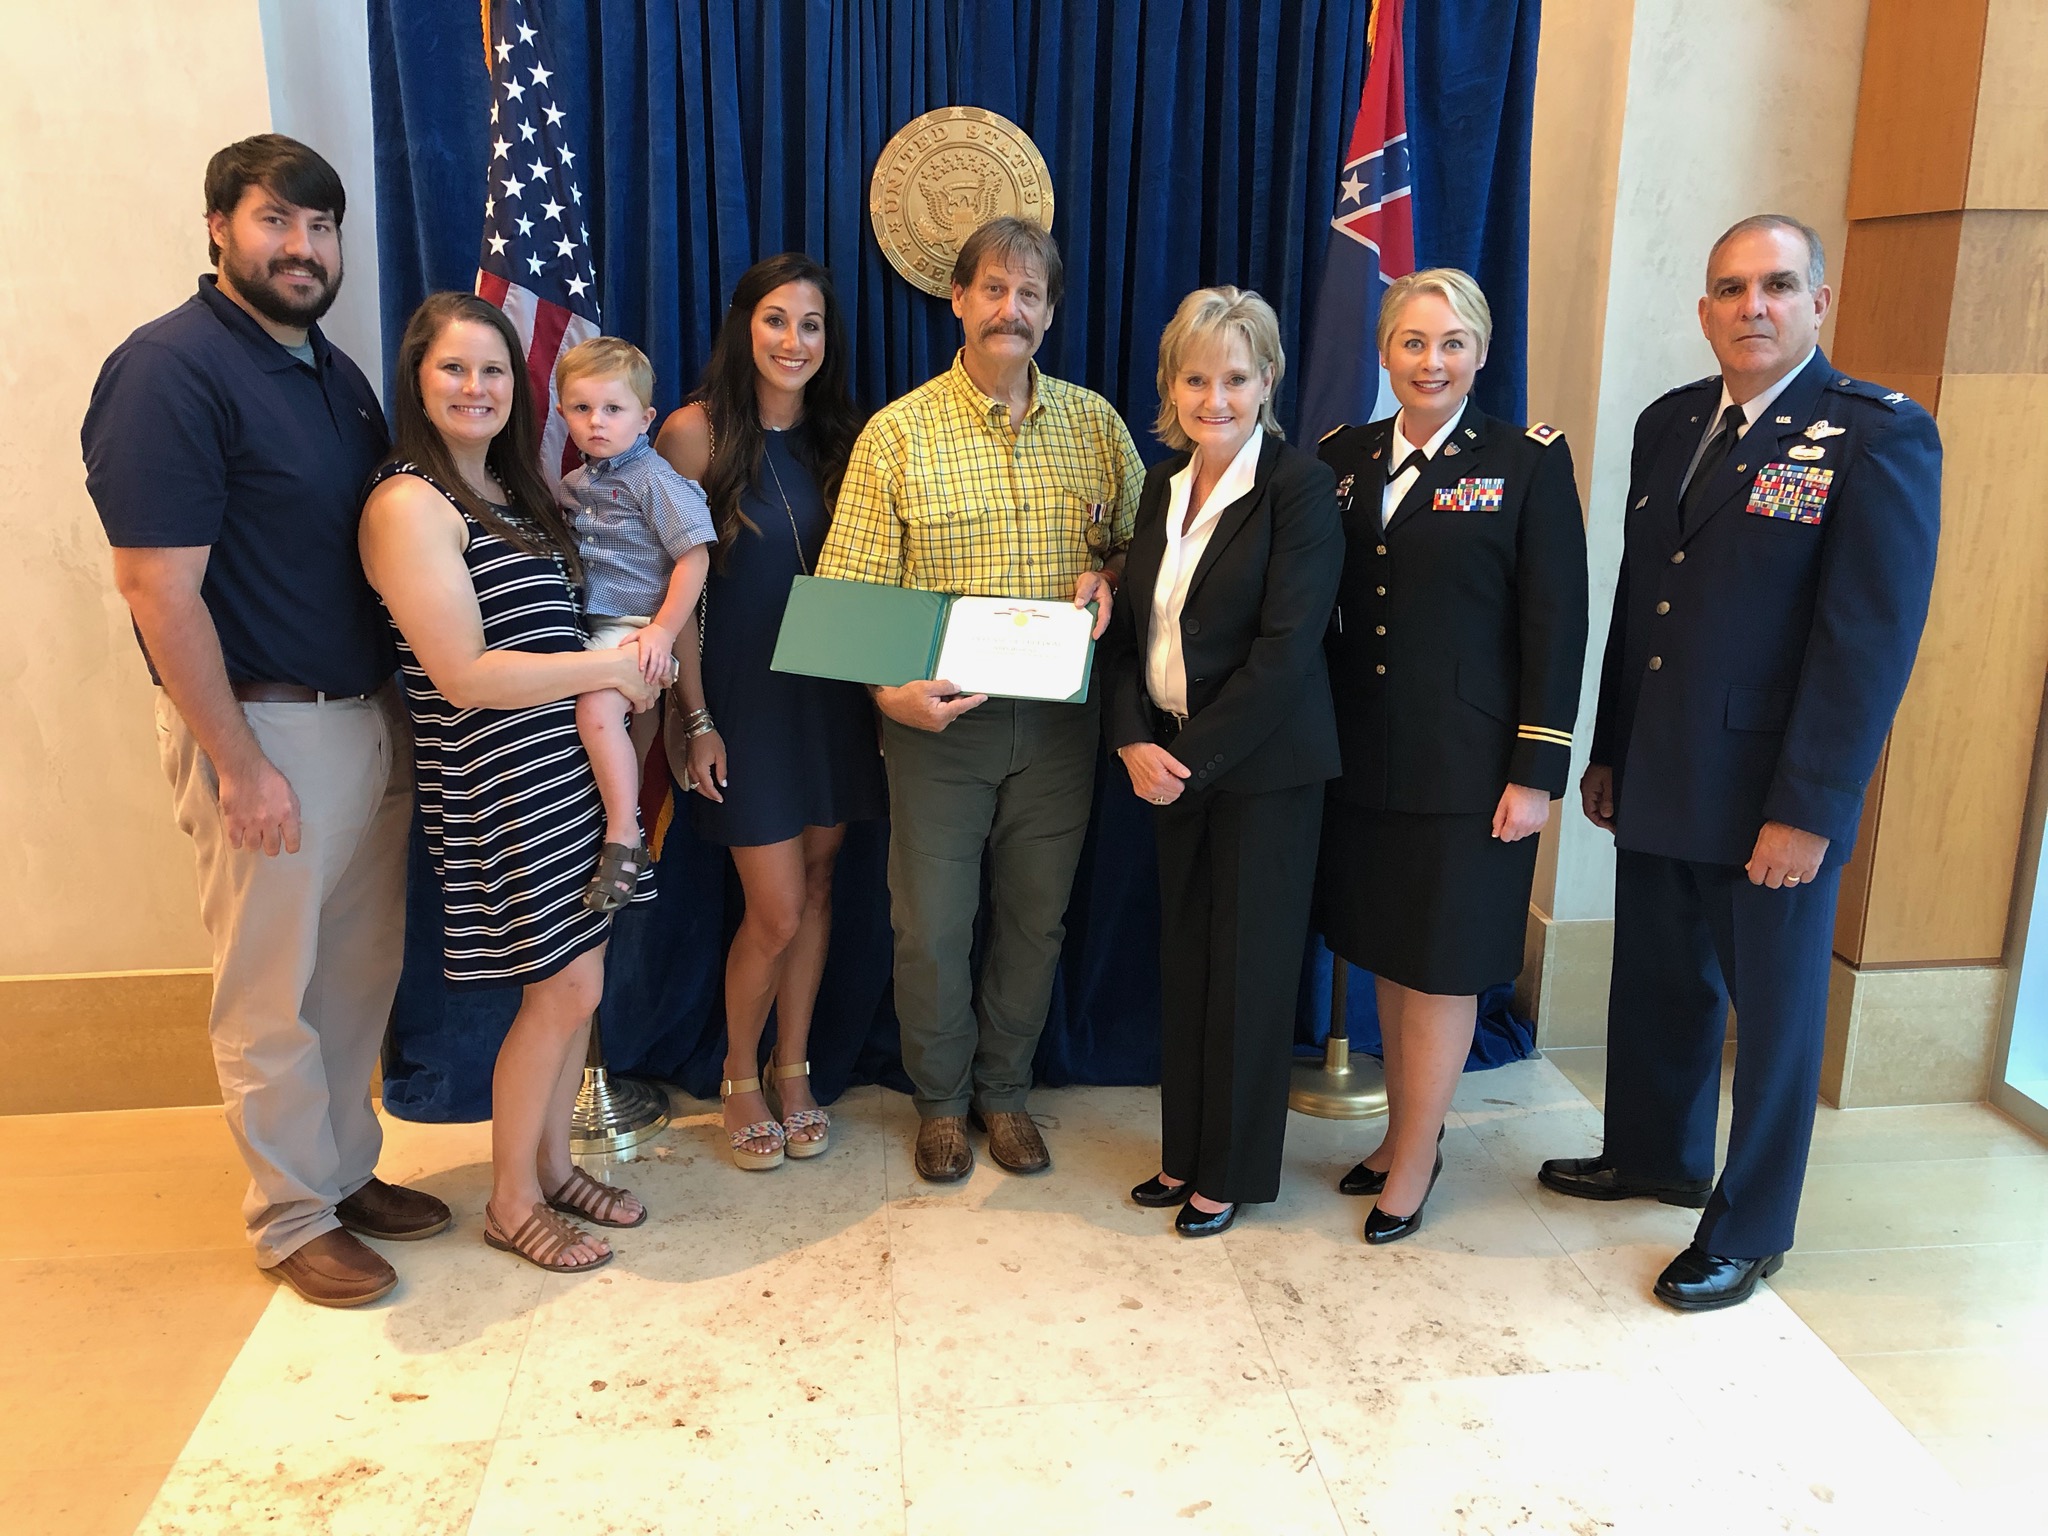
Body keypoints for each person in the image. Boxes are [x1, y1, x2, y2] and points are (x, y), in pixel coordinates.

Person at [1538, 215, 1941, 1309]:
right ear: (1704, 309)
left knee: (1769, 1015)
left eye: (1774, 286)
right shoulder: (1670, 423)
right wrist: (1610, 747)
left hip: (1772, 791)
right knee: (1660, 978)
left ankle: (1751, 1223)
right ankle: (1654, 1156)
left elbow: (1866, 640)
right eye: (1727, 288)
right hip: (1665, 765)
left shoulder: (1873, 434)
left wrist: (1808, 807)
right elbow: (1640, 603)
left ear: (1820, 301)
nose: (1749, 307)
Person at [82, 134, 446, 1309]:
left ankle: (342, 1175)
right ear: (218, 229)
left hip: (362, 721)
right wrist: (237, 763)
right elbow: (156, 589)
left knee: (351, 975)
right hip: (264, 732)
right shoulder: (169, 372)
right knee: (268, 987)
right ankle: (290, 1215)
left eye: (321, 226)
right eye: (275, 221)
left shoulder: (329, 372)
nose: (302, 247)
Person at [815, 217, 1145, 1182]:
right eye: (994, 289)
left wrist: (1113, 580)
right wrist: (889, 695)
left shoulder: (1096, 426)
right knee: (931, 923)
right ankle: (941, 1103)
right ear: (957, 301)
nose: (1013, 309)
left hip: (1059, 723)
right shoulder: (899, 434)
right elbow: (851, 597)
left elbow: (1142, 546)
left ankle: (1005, 1096)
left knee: (1036, 919)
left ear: (1050, 311)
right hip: (938, 726)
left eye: (1031, 293)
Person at [359, 292, 668, 1275]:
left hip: (562, 772)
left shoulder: (508, 492)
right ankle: (510, 1200)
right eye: (454, 367)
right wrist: (608, 672)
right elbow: (462, 676)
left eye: (494, 370)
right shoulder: (408, 503)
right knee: (563, 985)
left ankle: (549, 1165)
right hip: (497, 781)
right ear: (418, 377)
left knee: (582, 985)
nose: (477, 386)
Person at [1316, 268, 1589, 1245]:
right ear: (1384, 352)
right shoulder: (1339, 456)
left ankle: (1419, 1155)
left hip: (1470, 768)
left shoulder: (1524, 463)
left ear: (1478, 352)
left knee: (1438, 968)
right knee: (1393, 952)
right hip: (1363, 761)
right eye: (1411, 342)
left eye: (1451, 342)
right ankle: (1403, 1132)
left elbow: (1555, 628)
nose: (1430, 362)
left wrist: (1537, 770)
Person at [1102, 288, 1341, 1237]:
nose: (1215, 396)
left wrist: (1182, 761)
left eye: (1235, 377)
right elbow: (1128, 634)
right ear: (1171, 386)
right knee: (1190, 964)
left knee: (1248, 973)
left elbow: (1287, 653)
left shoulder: (1299, 487)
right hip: (1166, 760)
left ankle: (1230, 1171)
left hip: (1260, 772)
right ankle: (1183, 1153)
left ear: (1267, 381)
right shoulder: (1161, 485)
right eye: (1196, 378)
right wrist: (1131, 740)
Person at [654, 253, 886, 1170]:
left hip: (832, 699)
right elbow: (668, 598)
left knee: (824, 886)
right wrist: (693, 716)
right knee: (776, 909)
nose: (795, 341)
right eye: (778, 319)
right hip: (741, 706)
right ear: (744, 324)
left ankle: (794, 1068)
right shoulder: (692, 435)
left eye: (813, 324)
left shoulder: (850, 438)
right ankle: (738, 1073)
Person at [556, 337, 716, 910]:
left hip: (635, 628)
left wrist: (661, 631)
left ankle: (625, 834)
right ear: (561, 412)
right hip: (587, 626)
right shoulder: (575, 484)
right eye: (581, 408)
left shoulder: (655, 479)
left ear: (645, 418)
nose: (596, 422)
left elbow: (694, 555)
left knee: (596, 709)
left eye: (613, 409)